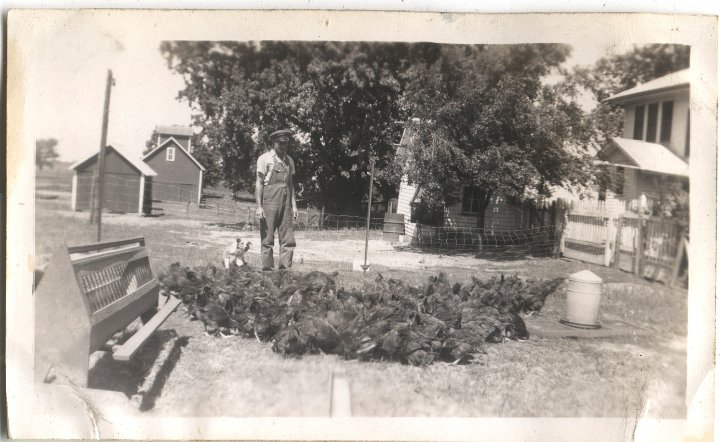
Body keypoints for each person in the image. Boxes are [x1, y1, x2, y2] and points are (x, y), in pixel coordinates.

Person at [255, 129, 298, 271]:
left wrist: (294, 206)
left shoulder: (289, 160)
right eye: (281, 144)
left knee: (288, 239)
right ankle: (267, 272)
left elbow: (291, 184)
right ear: (274, 143)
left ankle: (285, 272)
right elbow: (259, 183)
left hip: (286, 203)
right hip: (269, 201)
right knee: (267, 239)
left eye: (286, 144)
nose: (284, 147)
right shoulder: (264, 159)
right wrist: (259, 206)